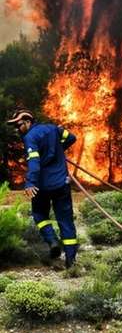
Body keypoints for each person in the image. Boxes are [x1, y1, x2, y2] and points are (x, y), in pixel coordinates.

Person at [6, 109, 78, 267]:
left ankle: (52, 241)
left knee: (39, 214)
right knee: (65, 221)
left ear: (28, 122)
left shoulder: (30, 137)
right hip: (62, 184)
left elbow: (34, 162)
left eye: (19, 126)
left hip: (42, 187)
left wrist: (30, 182)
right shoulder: (54, 128)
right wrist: (59, 150)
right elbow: (72, 138)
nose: (17, 130)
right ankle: (71, 261)